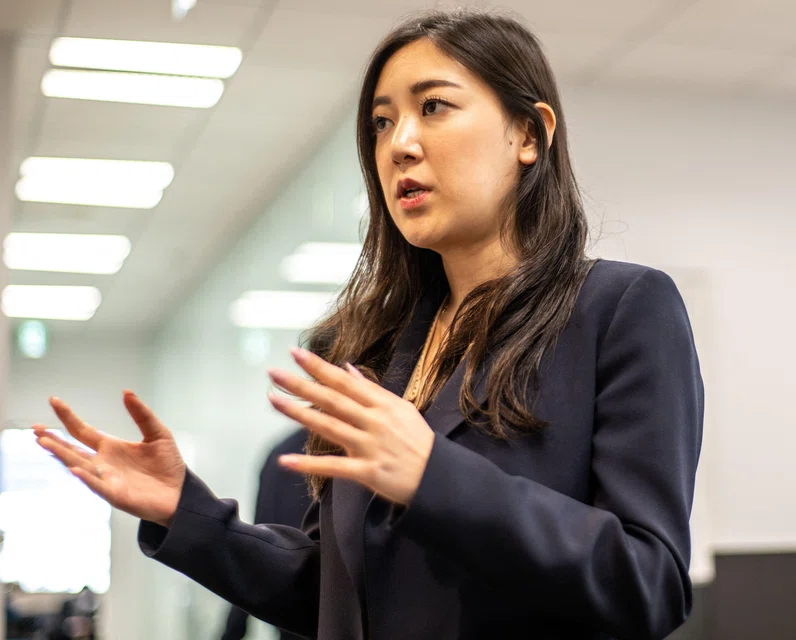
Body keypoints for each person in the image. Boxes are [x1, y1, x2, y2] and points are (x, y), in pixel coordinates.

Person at [32, 9, 704, 640]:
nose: (400, 145)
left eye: (433, 108)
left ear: (527, 134)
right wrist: (188, 514)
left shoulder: (620, 309)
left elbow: (649, 583)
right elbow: (335, 589)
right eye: (382, 123)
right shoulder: (383, 348)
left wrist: (433, 476)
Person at [219, 428, 312, 640]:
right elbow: (258, 545)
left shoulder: (281, 454)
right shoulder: (283, 456)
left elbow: (257, 547)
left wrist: (233, 630)